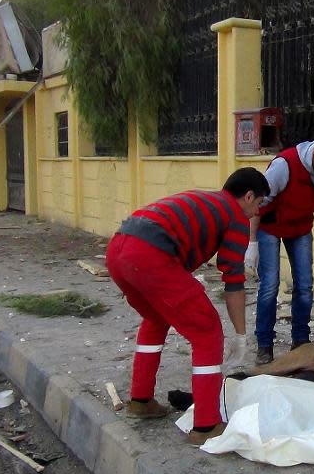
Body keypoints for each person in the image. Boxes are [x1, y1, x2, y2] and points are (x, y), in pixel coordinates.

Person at [106, 167, 270, 445]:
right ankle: (206, 426)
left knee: (156, 319)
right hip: (150, 255)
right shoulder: (235, 216)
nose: (257, 212)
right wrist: (240, 335)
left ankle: (140, 400)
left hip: (118, 249)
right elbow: (233, 281)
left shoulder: (205, 200)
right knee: (206, 332)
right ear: (249, 196)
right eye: (259, 204)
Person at [245, 133, 314, 365]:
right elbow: (258, 203)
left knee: (304, 285)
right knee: (270, 285)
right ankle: (264, 345)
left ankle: (301, 342)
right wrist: (252, 242)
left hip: (300, 227)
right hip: (269, 226)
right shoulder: (285, 165)